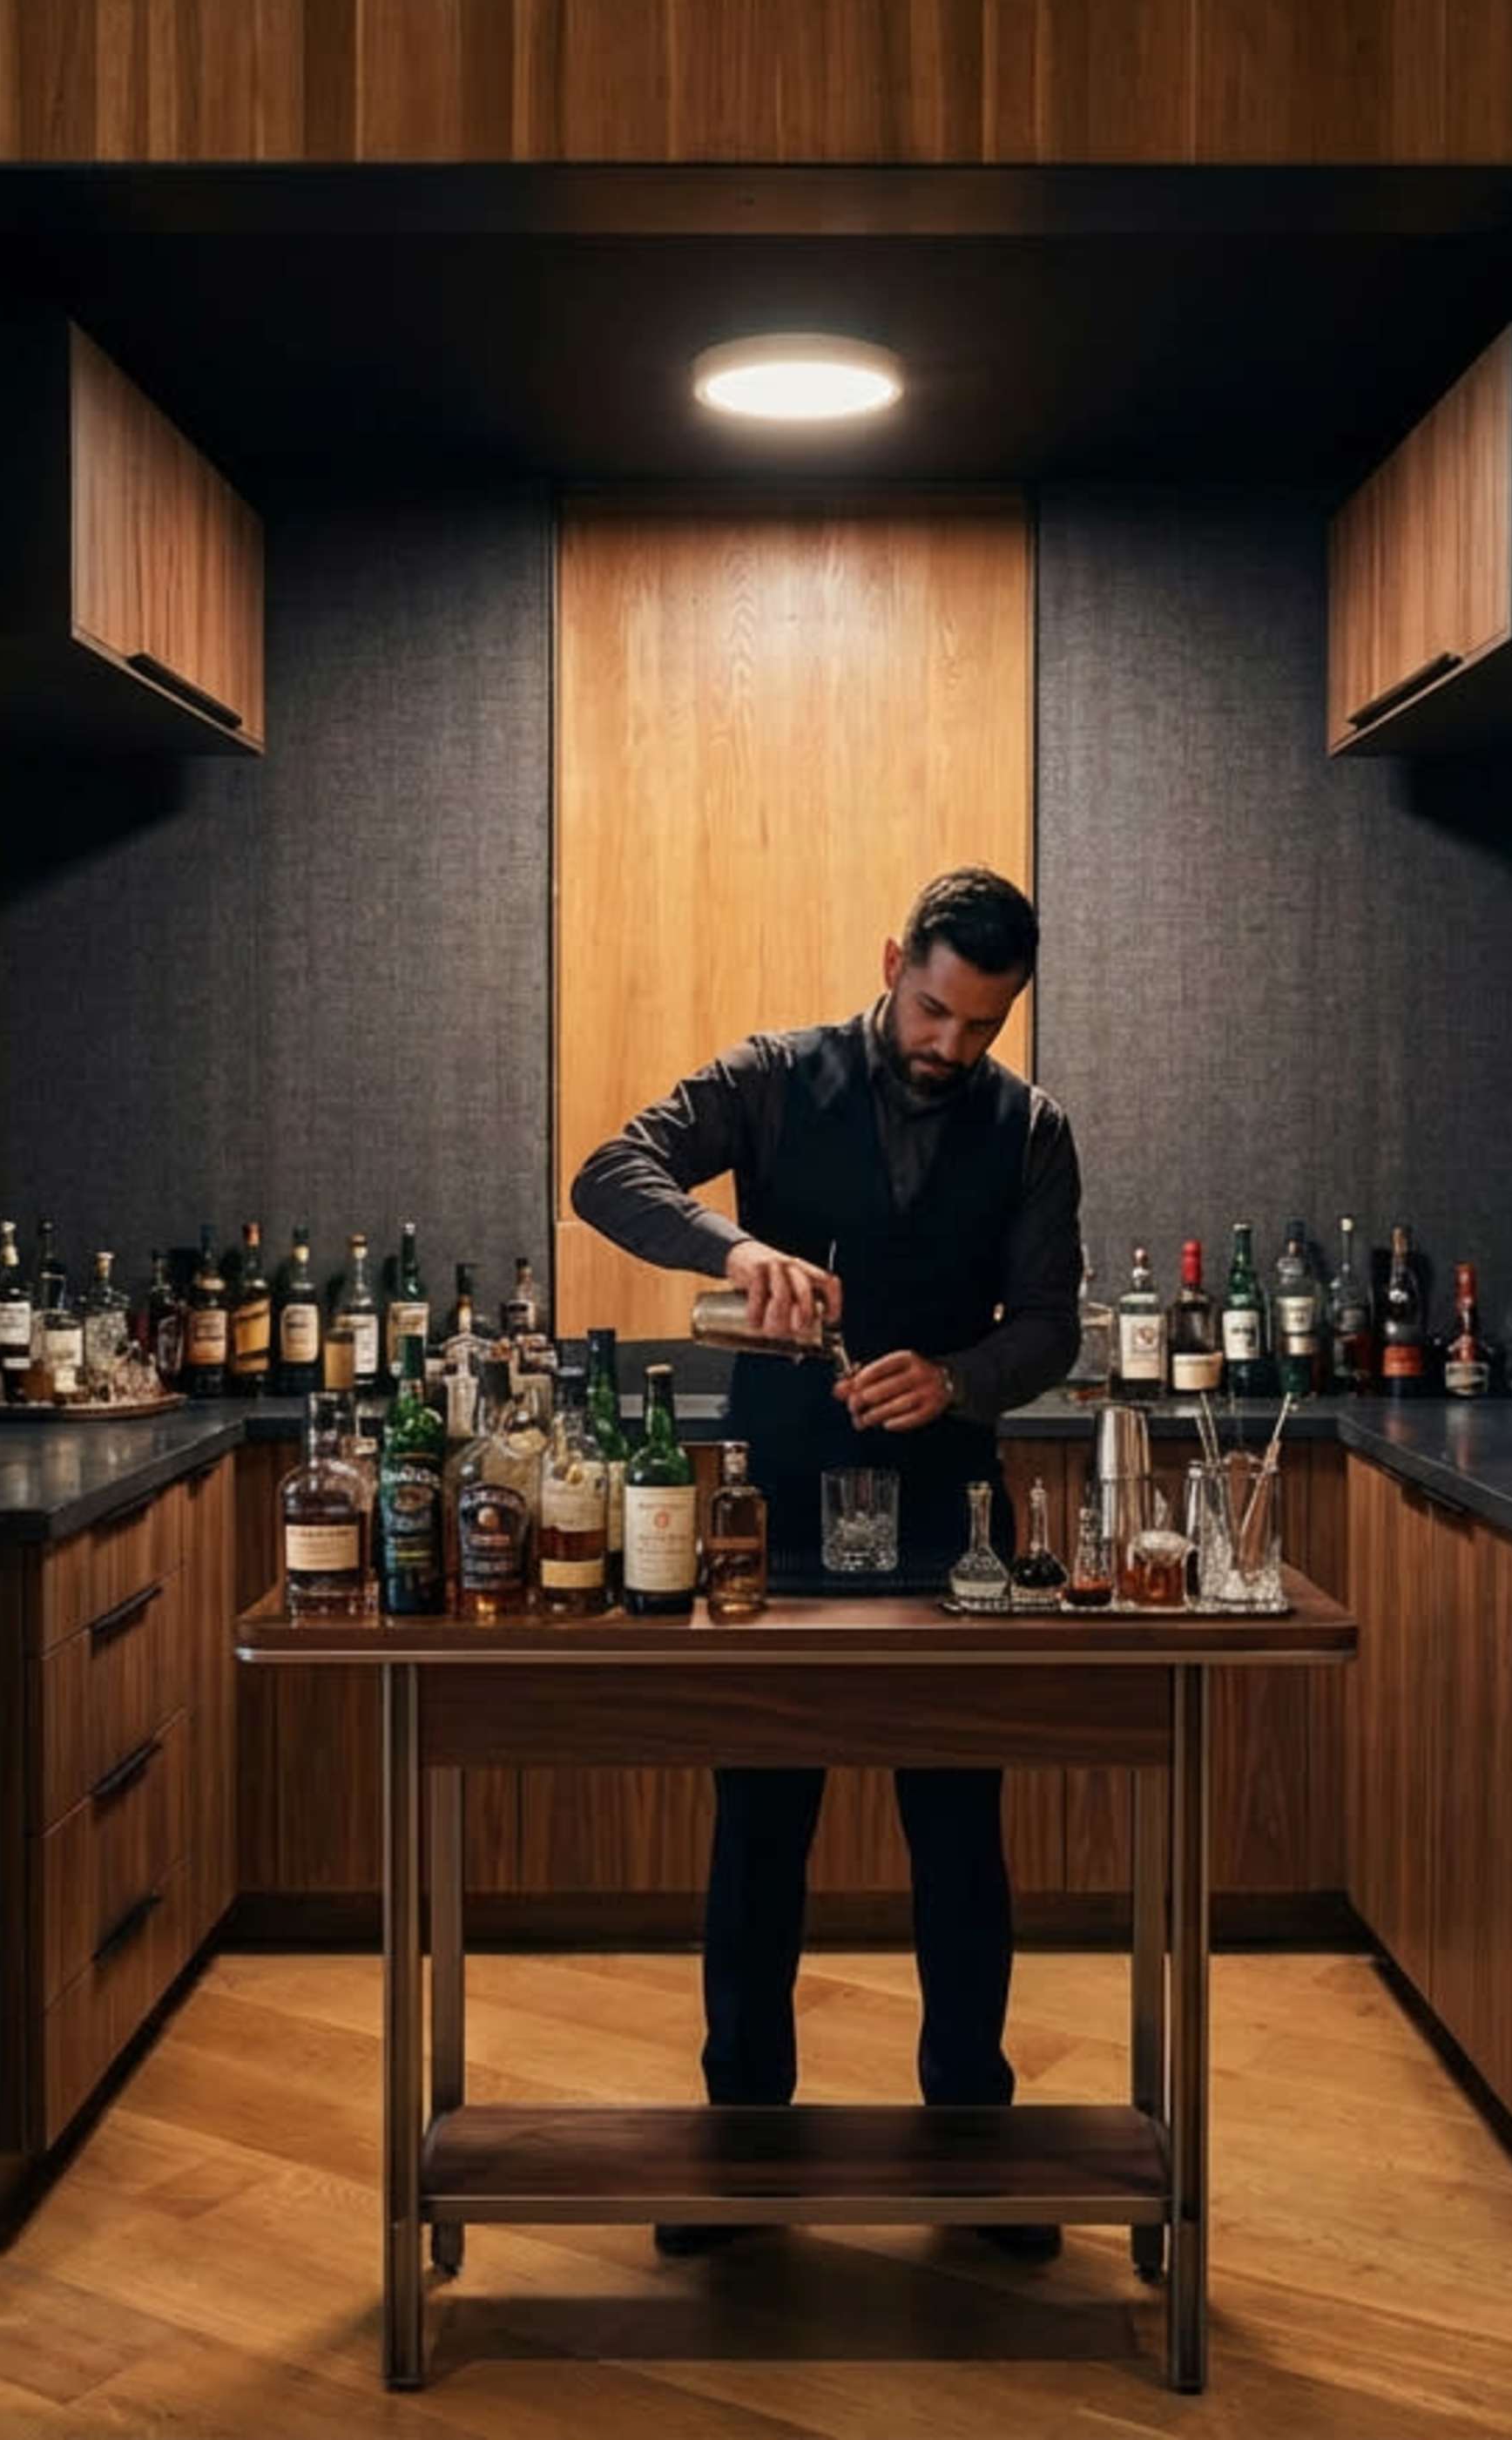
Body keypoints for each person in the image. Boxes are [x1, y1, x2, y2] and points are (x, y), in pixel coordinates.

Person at [570, 866, 1083, 2262]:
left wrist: (965, 1377)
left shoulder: (1032, 1130)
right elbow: (607, 1174)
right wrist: (739, 1246)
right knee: (759, 1830)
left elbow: (1051, 1328)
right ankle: (743, 2142)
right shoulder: (773, 1079)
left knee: (958, 1836)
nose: (949, 1049)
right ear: (892, 963)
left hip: (945, 1524)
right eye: (932, 1011)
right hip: (772, 1514)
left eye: (982, 1027)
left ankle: (973, 2141)